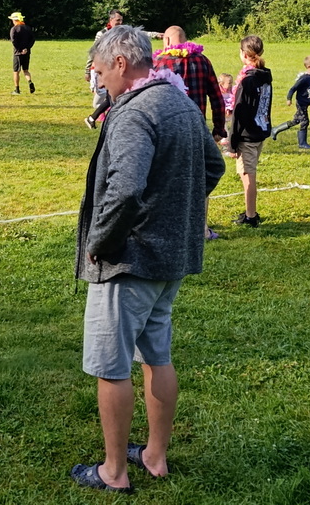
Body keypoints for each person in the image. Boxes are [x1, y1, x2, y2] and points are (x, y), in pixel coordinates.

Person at [71, 25, 224, 493]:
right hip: (169, 259)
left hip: (129, 260)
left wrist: (101, 240)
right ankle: (155, 455)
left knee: (111, 366)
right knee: (157, 355)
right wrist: (174, 212)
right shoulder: (178, 100)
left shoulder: (135, 112)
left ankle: (114, 472)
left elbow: (126, 189)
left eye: (100, 72)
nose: (99, 81)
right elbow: (213, 165)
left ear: (121, 64)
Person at [151, 26, 227, 140]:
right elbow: (216, 97)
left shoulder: (158, 63)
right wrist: (219, 129)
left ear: (167, 40)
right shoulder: (203, 60)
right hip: (197, 126)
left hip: (168, 129)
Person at [227, 35, 272, 227]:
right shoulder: (265, 75)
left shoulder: (247, 81)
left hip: (247, 136)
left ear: (244, 54)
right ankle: (249, 211)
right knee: (249, 174)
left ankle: (251, 216)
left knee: (248, 176)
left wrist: (232, 143)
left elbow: (239, 114)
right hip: (259, 129)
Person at [271, 55, 310, 149]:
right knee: (305, 121)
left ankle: (276, 129)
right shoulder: (304, 78)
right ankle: (302, 143)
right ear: (309, 66)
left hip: (306, 103)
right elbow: (293, 88)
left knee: (296, 121)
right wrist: (289, 99)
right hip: (301, 103)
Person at [84, 10, 123, 128]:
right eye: (118, 20)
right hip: (104, 69)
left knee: (113, 96)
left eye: (121, 20)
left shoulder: (122, 32)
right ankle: (95, 117)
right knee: (109, 97)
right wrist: (87, 70)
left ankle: (94, 118)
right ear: (110, 20)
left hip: (116, 68)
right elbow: (93, 52)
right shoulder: (102, 34)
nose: (120, 23)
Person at [8, 12, 36, 94]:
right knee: (26, 70)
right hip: (27, 52)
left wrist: (20, 50)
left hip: (18, 53)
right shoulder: (27, 28)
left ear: (15, 20)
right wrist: (27, 48)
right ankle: (30, 81)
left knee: (16, 71)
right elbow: (32, 39)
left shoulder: (14, 29)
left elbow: (13, 41)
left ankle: (17, 90)